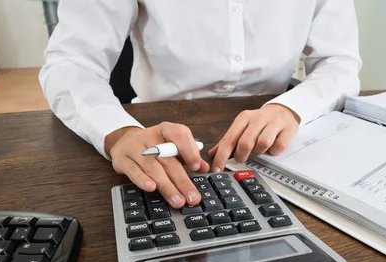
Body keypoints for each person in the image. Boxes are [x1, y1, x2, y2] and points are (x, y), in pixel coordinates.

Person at [39, 0, 362, 208]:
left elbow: (340, 61)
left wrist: (292, 107)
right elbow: (71, 62)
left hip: (279, 136)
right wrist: (116, 131)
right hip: (156, 133)